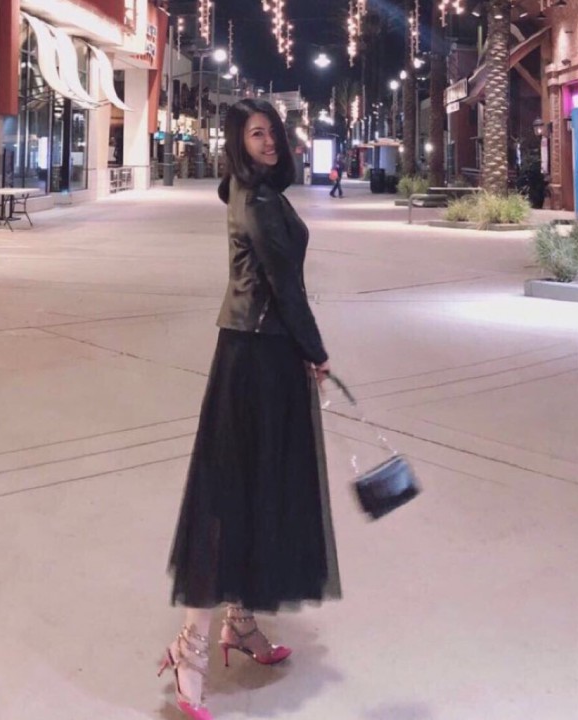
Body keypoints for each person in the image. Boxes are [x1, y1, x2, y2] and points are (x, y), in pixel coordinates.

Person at [158, 98, 341, 720]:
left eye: (273, 132)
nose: (269, 141)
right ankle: (190, 650)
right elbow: (284, 287)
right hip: (255, 358)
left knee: (256, 488)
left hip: (259, 352)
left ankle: (237, 621)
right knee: (228, 495)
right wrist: (315, 350)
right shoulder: (257, 200)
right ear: (239, 141)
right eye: (256, 133)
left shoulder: (251, 191)